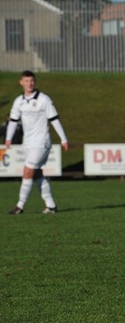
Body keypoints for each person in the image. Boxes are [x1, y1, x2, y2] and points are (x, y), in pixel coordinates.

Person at [5, 70, 69, 215]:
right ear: (21, 82)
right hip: (27, 143)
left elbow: (54, 119)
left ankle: (19, 206)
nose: (29, 83)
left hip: (42, 142)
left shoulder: (44, 99)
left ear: (35, 82)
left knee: (27, 171)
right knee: (37, 173)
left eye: (32, 81)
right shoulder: (18, 101)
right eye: (26, 81)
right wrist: (8, 138)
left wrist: (63, 139)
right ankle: (51, 206)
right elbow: (13, 121)